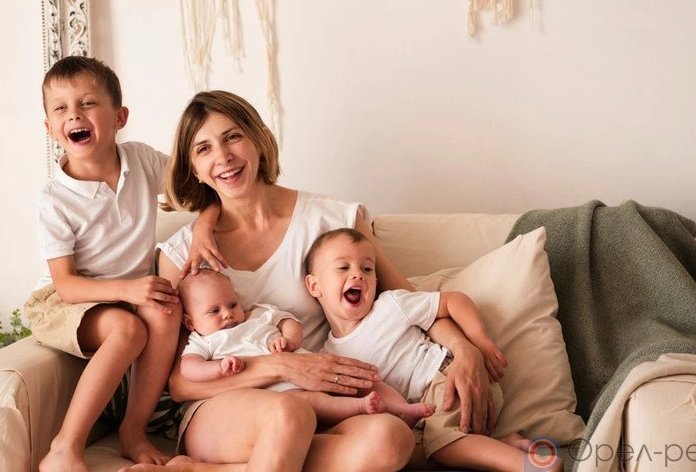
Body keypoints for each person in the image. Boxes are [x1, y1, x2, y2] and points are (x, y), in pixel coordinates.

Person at [120, 89, 498, 472]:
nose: (223, 156)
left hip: (322, 399)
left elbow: (410, 305)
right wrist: (281, 367)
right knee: (288, 413)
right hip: (224, 409)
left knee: (391, 440)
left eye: (233, 137)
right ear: (194, 169)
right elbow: (182, 384)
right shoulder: (182, 255)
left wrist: (465, 350)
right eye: (203, 149)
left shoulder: (333, 221)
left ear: (260, 139)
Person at [22, 56, 181, 472]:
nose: (74, 114)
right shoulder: (54, 200)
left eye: (88, 103)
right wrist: (128, 289)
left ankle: (133, 430)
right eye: (61, 108)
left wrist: (204, 228)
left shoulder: (142, 161)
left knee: (166, 309)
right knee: (128, 329)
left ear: (119, 117)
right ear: (51, 129)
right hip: (66, 301)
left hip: (126, 296)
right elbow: (66, 284)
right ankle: (64, 448)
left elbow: (200, 187)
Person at [305, 227, 558, 472]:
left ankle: (530, 467)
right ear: (314, 286)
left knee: (440, 447)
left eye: (367, 269)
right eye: (343, 267)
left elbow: (453, 301)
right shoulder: (326, 358)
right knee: (410, 453)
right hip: (423, 411)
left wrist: (479, 341)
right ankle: (504, 446)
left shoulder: (390, 306)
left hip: (447, 379)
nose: (358, 275)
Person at [178, 268, 435, 426]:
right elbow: (189, 369)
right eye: (214, 311)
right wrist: (218, 368)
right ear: (191, 322)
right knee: (312, 402)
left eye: (232, 304)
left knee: (365, 379)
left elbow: (290, 322)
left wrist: (289, 340)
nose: (227, 314)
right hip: (279, 394)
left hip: (314, 370)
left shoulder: (258, 314)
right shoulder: (204, 341)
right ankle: (360, 408)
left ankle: (403, 408)